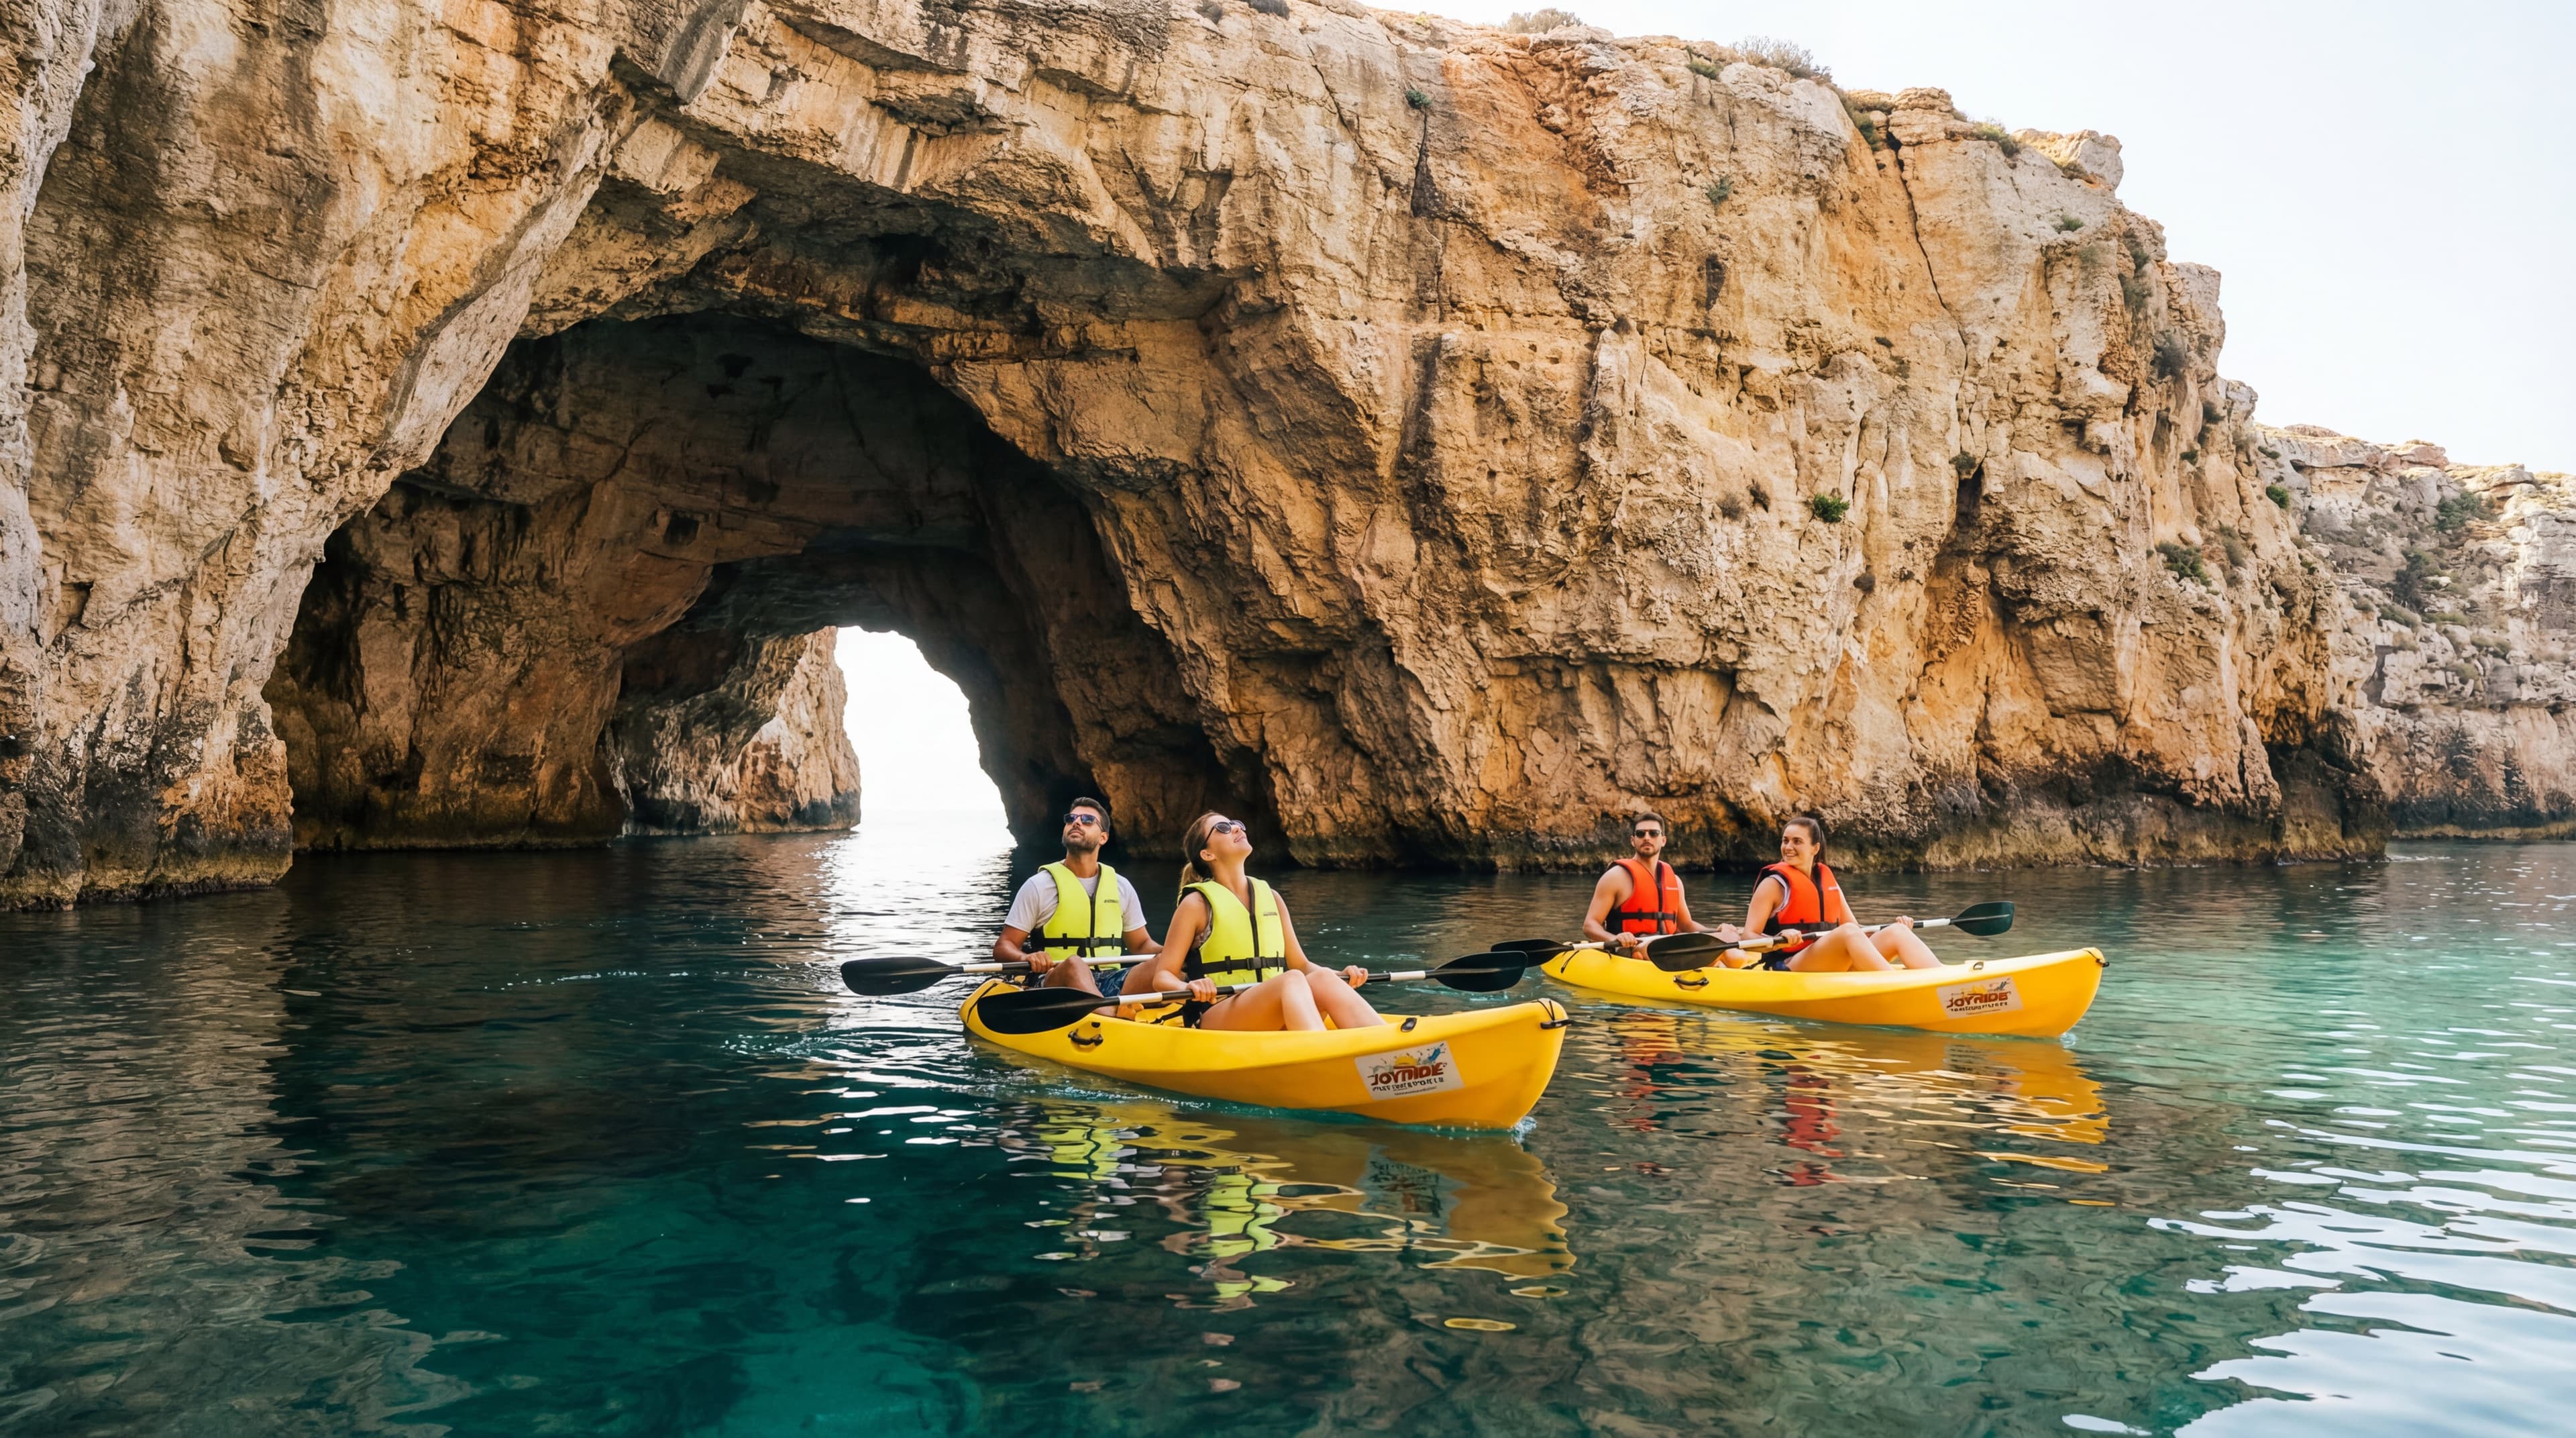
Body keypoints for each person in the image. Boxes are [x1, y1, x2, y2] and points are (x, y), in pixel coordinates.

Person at [1132, 812, 1383, 1031]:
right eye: (1222, 828)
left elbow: (1302, 964)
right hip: (1218, 1011)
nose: (1237, 828)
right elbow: (1162, 976)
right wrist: (1192, 985)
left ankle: (1384, 1044)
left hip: (1268, 1006)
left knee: (1324, 978)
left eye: (1236, 823)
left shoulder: (1271, 897)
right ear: (1207, 854)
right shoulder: (1196, 905)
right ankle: (1323, 1054)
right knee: (1292, 979)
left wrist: (1342, 975)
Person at [1725, 815, 1942, 972]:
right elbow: (1749, 936)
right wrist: (1779, 940)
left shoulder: (1826, 880)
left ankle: (1944, 978)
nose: (1788, 847)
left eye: (1797, 841)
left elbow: (1859, 931)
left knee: (1896, 932)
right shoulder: (1773, 884)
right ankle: (1894, 987)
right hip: (1789, 964)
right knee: (1847, 932)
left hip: (1828, 959)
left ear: (1815, 848)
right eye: (1785, 840)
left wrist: (1894, 925)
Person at [994, 797, 1158, 996]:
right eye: (1071, 819)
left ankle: (1111, 1009)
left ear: (1103, 838)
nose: (1076, 823)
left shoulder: (1121, 886)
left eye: (1088, 820)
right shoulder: (1039, 886)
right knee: (1074, 964)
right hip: (1055, 979)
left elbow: (1141, 945)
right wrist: (1027, 957)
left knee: (1161, 965)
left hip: (1111, 979)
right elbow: (1004, 946)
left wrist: (1174, 953)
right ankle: (1111, 1012)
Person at [1580, 812, 1707, 953]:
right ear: (1633, 840)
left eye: (1653, 833)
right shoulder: (1615, 877)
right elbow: (1590, 925)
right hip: (1630, 950)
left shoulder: (1675, 882)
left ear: (1663, 840)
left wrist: (1717, 932)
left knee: (1732, 954)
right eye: (1641, 834)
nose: (1647, 838)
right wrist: (1614, 938)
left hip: (1668, 949)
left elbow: (1686, 925)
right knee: (1648, 949)